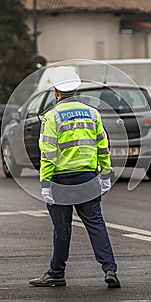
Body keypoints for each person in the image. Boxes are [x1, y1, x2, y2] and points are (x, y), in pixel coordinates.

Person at [29, 67, 120, 288]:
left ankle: (57, 273)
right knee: (96, 225)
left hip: (61, 180)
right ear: (76, 90)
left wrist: (45, 184)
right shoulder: (93, 113)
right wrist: (106, 174)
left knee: (62, 229)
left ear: (56, 92)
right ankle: (110, 270)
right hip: (88, 178)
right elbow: (103, 147)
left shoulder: (51, 116)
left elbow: (48, 153)